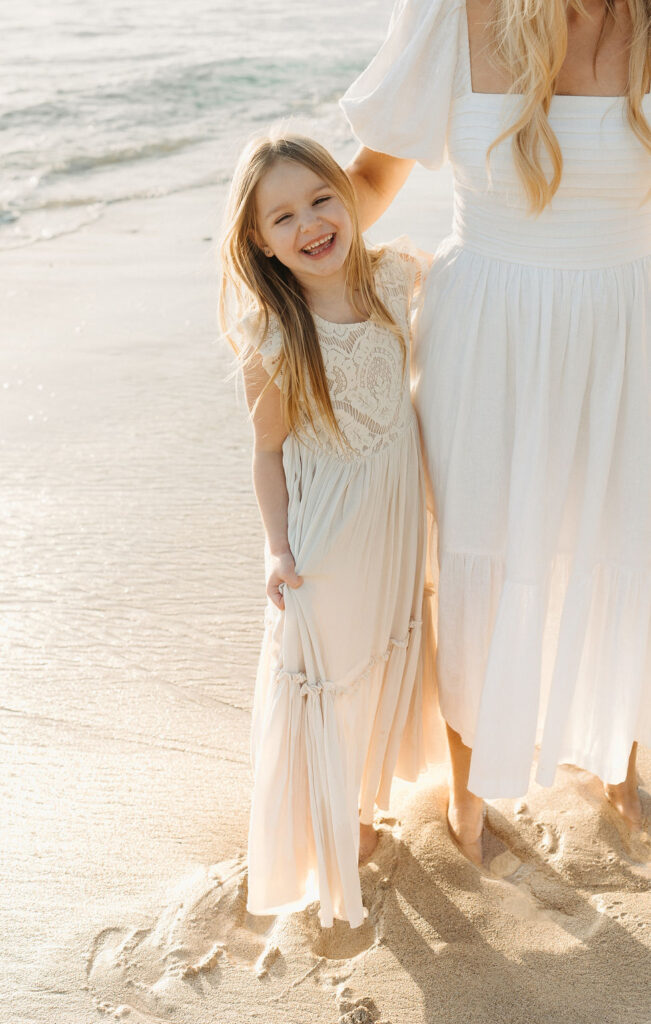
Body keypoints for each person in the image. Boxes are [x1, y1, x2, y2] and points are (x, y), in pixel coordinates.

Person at [340, 0, 651, 865]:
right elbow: (369, 181)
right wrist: (289, 257)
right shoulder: (452, 13)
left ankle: (616, 753)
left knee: (623, 544)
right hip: (485, 332)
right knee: (476, 553)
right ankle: (468, 790)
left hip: (628, 327)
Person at [219, 132, 445, 928]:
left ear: (346, 200)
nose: (309, 224)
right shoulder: (275, 336)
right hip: (329, 529)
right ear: (258, 241)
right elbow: (268, 454)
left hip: (391, 506)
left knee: (378, 651)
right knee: (326, 662)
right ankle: (325, 828)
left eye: (320, 200)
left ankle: (355, 803)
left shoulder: (393, 276)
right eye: (283, 217)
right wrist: (277, 549)